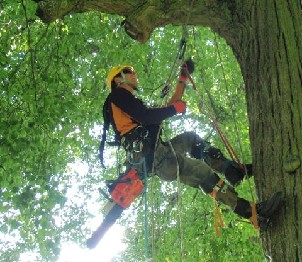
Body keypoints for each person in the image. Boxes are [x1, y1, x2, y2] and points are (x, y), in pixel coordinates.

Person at [100, 63, 281, 227]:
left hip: (160, 154)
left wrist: (182, 80)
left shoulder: (130, 105)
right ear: (118, 79)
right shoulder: (118, 95)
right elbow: (150, 116)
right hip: (157, 158)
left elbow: (169, 105)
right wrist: (174, 110)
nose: (134, 74)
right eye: (128, 72)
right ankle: (252, 213)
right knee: (203, 173)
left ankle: (232, 171)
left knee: (190, 139)